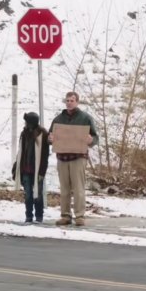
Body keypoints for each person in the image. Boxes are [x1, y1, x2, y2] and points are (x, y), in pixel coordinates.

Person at [48, 91, 98, 226]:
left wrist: (90, 140)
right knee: (64, 189)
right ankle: (65, 215)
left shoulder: (85, 118)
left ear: (77, 102)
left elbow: (95, 137)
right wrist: (50, 138)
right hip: (62, 157)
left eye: (72, 100)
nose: (69, 103)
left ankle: (80, 216)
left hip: (78, 157)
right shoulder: (58, 119)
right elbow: (50, 135)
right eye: (67, 100)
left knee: (78, 188)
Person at [12, 112, 50, 224]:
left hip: (37, 169)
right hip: (25, 169)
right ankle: (28, 216)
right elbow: (21, 152)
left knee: (38, 195)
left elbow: (44, 155)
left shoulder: (42, 134)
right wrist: (16, 167)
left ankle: (39, 216)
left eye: (27, 121)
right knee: (28, 194)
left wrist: (42, 171)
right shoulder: (24, 133)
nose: (25, 123)